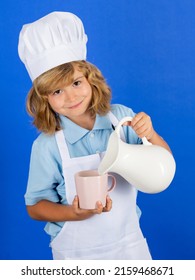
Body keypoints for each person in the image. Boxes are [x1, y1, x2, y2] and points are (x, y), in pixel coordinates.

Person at [18, 11, 171, 260]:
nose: (71, 97)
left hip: (129, 248)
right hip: (76, 255)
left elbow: (163, 163)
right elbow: (35, 207)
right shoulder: (47, 145)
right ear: (43, 98)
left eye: (76, 83)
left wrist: (150, 134)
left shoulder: (121, 120)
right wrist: (73, 213)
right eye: (57, 91)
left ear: (91, 79)